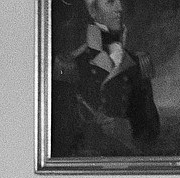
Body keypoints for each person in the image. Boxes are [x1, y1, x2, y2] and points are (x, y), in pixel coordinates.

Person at [51, 0, 162, 157]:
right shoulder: (70, 65)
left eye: (120, 1)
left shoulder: (137, 63)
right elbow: (61, 137)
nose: (120, 8)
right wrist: (95, 131)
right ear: (93, 11)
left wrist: (128, 129)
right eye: (110, 2)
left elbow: (151, 131)